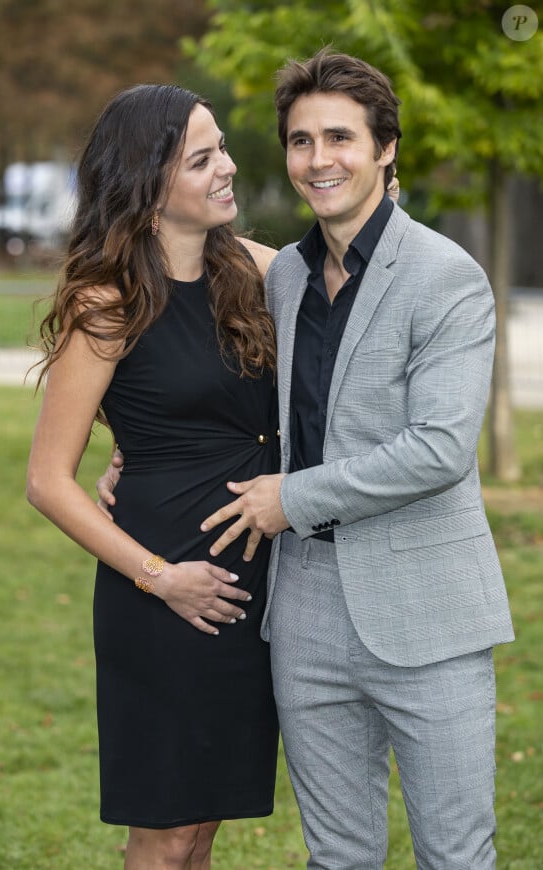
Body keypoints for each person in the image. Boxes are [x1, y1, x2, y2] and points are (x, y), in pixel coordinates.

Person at [197, 50, 515, 869]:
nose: (318, 159)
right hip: (304, 612)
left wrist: (292, 498)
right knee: (337, 858)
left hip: (429, 611)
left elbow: (440, 448)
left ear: (386, 149)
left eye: (340, 137)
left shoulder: (446, 277)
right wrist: (133, 453)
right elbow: (242, 405)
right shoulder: (286, 278)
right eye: (301, 141)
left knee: (456, 853)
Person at [26, 83, 281, 870]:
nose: (228, 168)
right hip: (167, 593)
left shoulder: (260, 271)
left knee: (202, 828)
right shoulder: (106, 305)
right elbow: (46, 481)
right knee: (165, 834)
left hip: (258, 584)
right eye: (202, 159)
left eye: (222, 147)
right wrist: (160, 577)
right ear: (147, 184)